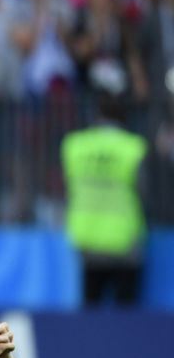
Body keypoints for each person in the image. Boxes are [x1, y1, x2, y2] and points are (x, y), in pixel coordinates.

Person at [60, 94, 148, 306]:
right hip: (124, 241)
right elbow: (145, 192)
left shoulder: (75, 145)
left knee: (91, 310)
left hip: (87, 238)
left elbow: (67, 187)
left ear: (96, 115)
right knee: (127, 314)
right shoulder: (133, 147)